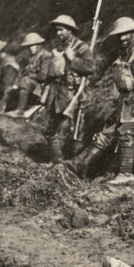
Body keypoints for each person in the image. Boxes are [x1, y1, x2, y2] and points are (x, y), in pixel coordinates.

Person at [69, 17, 134, 187]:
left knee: (126, 131)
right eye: (120, 35)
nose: (123, 38)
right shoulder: (125, 54)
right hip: (129, 104)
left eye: (126, 34)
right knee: (121, 135)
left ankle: (125, 174)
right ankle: (83, 164)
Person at [41, 14, 96, 163]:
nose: (58, 33)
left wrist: (73, 59)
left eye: (61, 30)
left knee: (75, 132)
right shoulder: (58, 47)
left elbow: (91, 68)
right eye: (57, 30)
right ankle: (58, 162)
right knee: (50, 130)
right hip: (57, 94)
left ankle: (72, 164)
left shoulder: (81, 48)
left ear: (70, 30)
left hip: (73, 95)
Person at [8, 32, 51, 116]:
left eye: (33, 45)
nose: (30, 48)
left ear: (39, 44)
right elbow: (23, 72)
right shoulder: (31, 57)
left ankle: (20, 110)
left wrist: (28, 77)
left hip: (42, 86)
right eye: (29, 46)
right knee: (12, 88)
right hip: (33, 84)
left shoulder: (45, 55)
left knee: (25, 81)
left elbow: (43, 76)